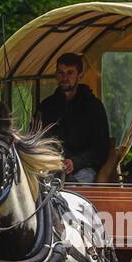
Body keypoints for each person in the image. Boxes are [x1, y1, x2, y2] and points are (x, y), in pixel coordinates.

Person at [37, 53, 110, 184]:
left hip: (83, 169)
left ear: (80, 75)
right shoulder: (46, 106)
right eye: (61, 73)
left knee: (75, 193)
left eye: (70, 73)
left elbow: (100, 148)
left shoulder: (93, 107)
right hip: (50, 168)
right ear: (56, 75)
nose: (65, 78)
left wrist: (75, 162)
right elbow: (37, 139)